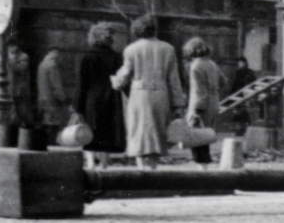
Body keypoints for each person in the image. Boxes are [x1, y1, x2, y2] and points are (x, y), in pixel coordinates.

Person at [111, 15, 184, 168]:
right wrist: (178, 104)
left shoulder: (131, 49)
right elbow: (173, 79)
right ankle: (153, 167)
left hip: (139, 95)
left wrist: (116, 81)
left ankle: (140, 167)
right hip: (160, 94)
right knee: (157, 131)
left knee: (139, 130)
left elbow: (124, 75)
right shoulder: (168, 49)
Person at [74, 23, 124, 166]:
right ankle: (104, 163)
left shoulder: (86, 56)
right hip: (112, 99)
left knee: (90, 131)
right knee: (108, 131)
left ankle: (90, 163)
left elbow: (81, 83)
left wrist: (77, 107)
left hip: (91, 99)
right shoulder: (116, 57)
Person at [182, 37, 222, 167]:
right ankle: (205, 167)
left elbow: (199, 90)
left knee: (196, 138)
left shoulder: (195, 66)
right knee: (206, 137)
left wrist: (196, 110)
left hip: (200, 105)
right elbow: (223, 81)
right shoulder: (213, 64)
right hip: (213, 103)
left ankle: (202, 170)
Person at [36, 48, 68, 150]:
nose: (58, 56)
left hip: (42, 99)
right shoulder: (52, 66)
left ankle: (44, 146)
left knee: (45, 125)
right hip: (52, 101)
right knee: (53, 126)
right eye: (57, 53)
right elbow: (56, 86)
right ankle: (52, 147)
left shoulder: (42, 65)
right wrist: (64, 99)